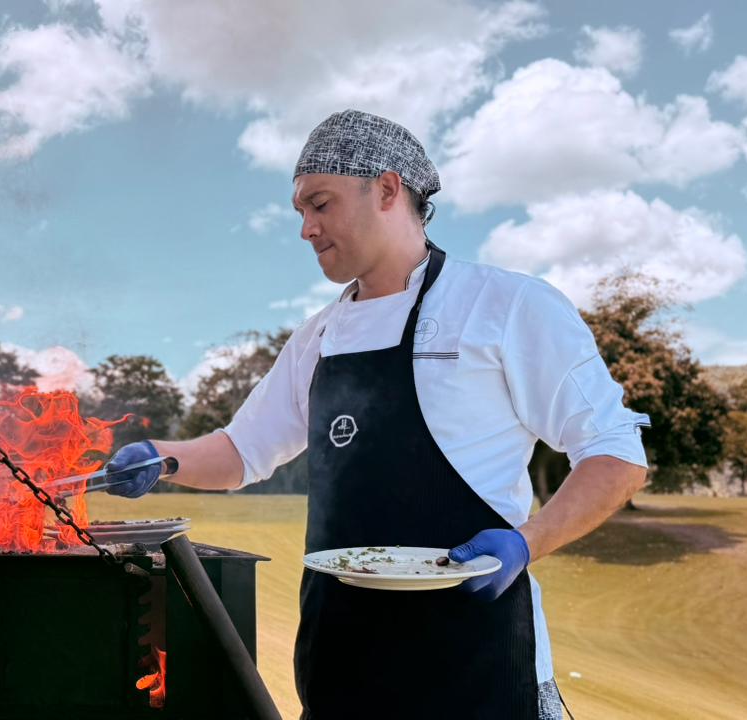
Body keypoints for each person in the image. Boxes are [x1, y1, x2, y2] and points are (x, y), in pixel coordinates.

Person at [103, 110, 650, 719]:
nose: (306, 229)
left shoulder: (506, 305)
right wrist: (162, 458)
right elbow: (240, 453)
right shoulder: (317, 338)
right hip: (341, 668)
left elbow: (617, 454)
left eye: (320, 204)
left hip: (478, 667)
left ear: (387, 189)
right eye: (300, 211)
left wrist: (526, 543)